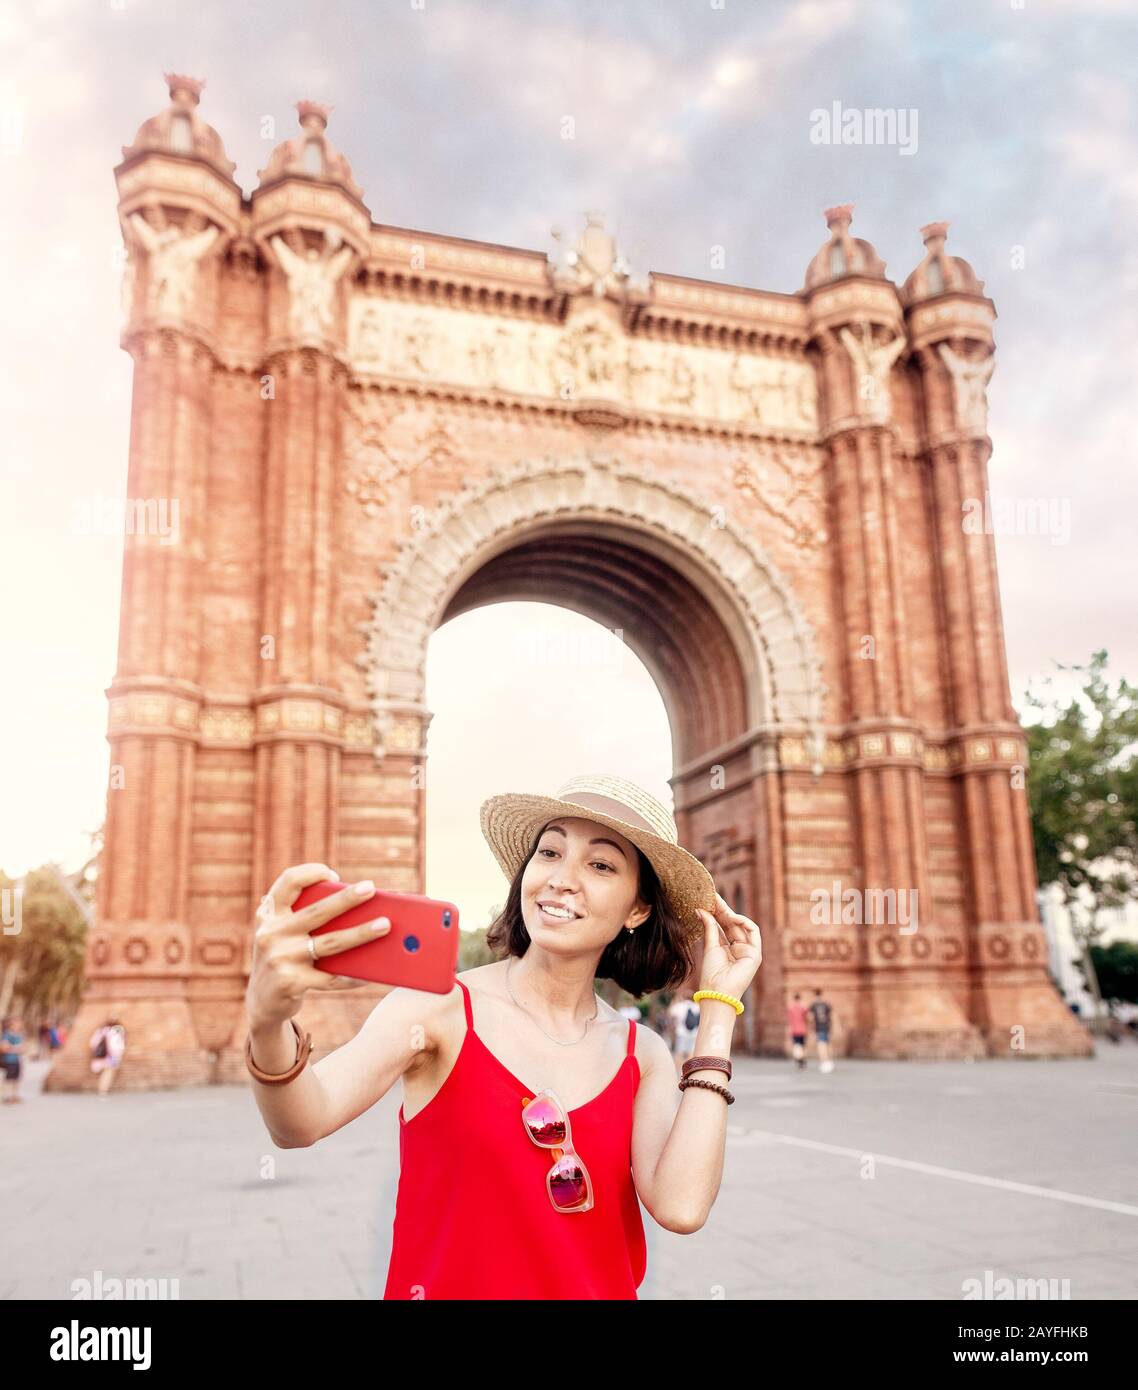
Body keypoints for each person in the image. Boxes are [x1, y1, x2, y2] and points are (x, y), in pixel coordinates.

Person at [245, 773, 763, 1300]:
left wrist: (719, 1010)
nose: (562, 878)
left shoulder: (640, 1053)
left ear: (637, 908)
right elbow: (300, 1122)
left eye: (601, 864)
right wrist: (266, 1020)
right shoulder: (439, 1009)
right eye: (549, 852)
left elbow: (681, 1206)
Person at [89, 1019, 127, 1095]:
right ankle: (103, 1090)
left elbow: (92, 1043)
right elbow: (115, 1047)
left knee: (105, 1073)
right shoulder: (114, 1033)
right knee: (108, 1073)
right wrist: (117, 1055)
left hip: (100, 1056)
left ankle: (102, 1089)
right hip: (110, 1057)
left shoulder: (100, 1032)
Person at [667, 991, 701, 1074]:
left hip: (681, 1032)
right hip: (694, 1032)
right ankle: (689, 1069)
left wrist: (675, 1000)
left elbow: (670, 1013)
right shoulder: (696, 1006)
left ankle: (677, 1071)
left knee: (679, 1052)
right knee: (691, 1052)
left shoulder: (680, 1006)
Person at [2, 1014, 26, 1103]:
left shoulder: (20, 1035)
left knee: (16, 1078)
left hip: (18, 1060)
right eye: (15, 1024)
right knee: (9, 1078)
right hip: (9, 1060)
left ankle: (14, 1095)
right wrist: (16, 1048)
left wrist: (16, 1048)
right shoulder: (7, 1034)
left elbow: (23, 1048)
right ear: (11, 1025)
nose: (17, 1026)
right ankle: (7, 1096)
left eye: (19, 1024)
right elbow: (4, 1047)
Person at [809, 988, 834, 1073]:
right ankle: (829, 1060)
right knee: (828, 1044)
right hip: (827, 1026)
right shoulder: (826, 1004)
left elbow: (810, 1018)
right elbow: (832, 1015)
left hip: (819, 1027)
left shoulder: (813, 1005)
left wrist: (811, 1028)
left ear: (815, 995)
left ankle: (824, 1062)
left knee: (821, 1045)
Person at [786, 992, 808, 1070]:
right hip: (802, 1029)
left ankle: (798, 1059)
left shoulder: (791, 1008)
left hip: (794, 1029)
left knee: (796, 1045)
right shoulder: (803, 1007)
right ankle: (802, 1059)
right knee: (802, 1045)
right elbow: (806, 1017)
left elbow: (789, 1019)